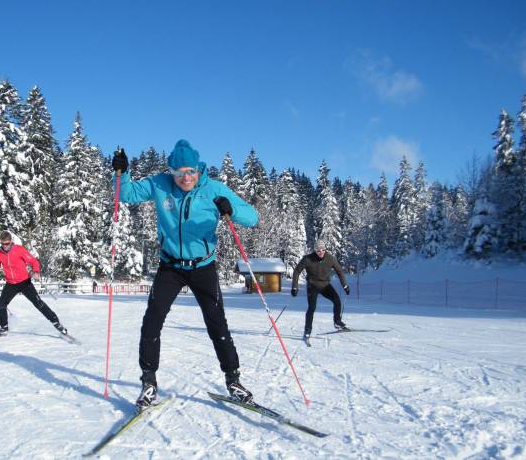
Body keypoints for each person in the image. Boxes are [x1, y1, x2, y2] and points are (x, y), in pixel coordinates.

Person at [112, 139, 259, 409]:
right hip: (170, 266)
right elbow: (126, 194)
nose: (186, 178)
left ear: (198, 169)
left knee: (217, 324)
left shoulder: (212, 189)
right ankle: (148, 382)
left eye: (191, 172)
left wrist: (231, 208)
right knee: (152, 320)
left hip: (203, 266)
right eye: (180, 174)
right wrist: (122, 173)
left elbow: (252, 217)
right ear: (171, 172)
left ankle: (233, 380)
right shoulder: (160, 184)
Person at [0, 231, 68, 337]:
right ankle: (4, 328)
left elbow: (34, 261)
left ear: (11, 241)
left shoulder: (19, 250)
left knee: (38, 303)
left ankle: (57, 323)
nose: (5, 246)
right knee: (2, 304)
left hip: (25, 282)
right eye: (3, 244)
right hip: (11, 283)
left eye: (7, 244)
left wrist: (36, 272)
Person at [291, 239, 350, 341]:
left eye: (323, 250)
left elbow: (340, 272)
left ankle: (337, 321)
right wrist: (295, 287)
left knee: (337, 300)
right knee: (312, 307)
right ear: (315, 251)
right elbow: (297, 271)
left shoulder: (330, 259)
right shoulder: (307, 259)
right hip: (312, 286)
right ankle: (307, 330)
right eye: (318, 250)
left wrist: (345, 285)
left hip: (325, 285)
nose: (321, 252)